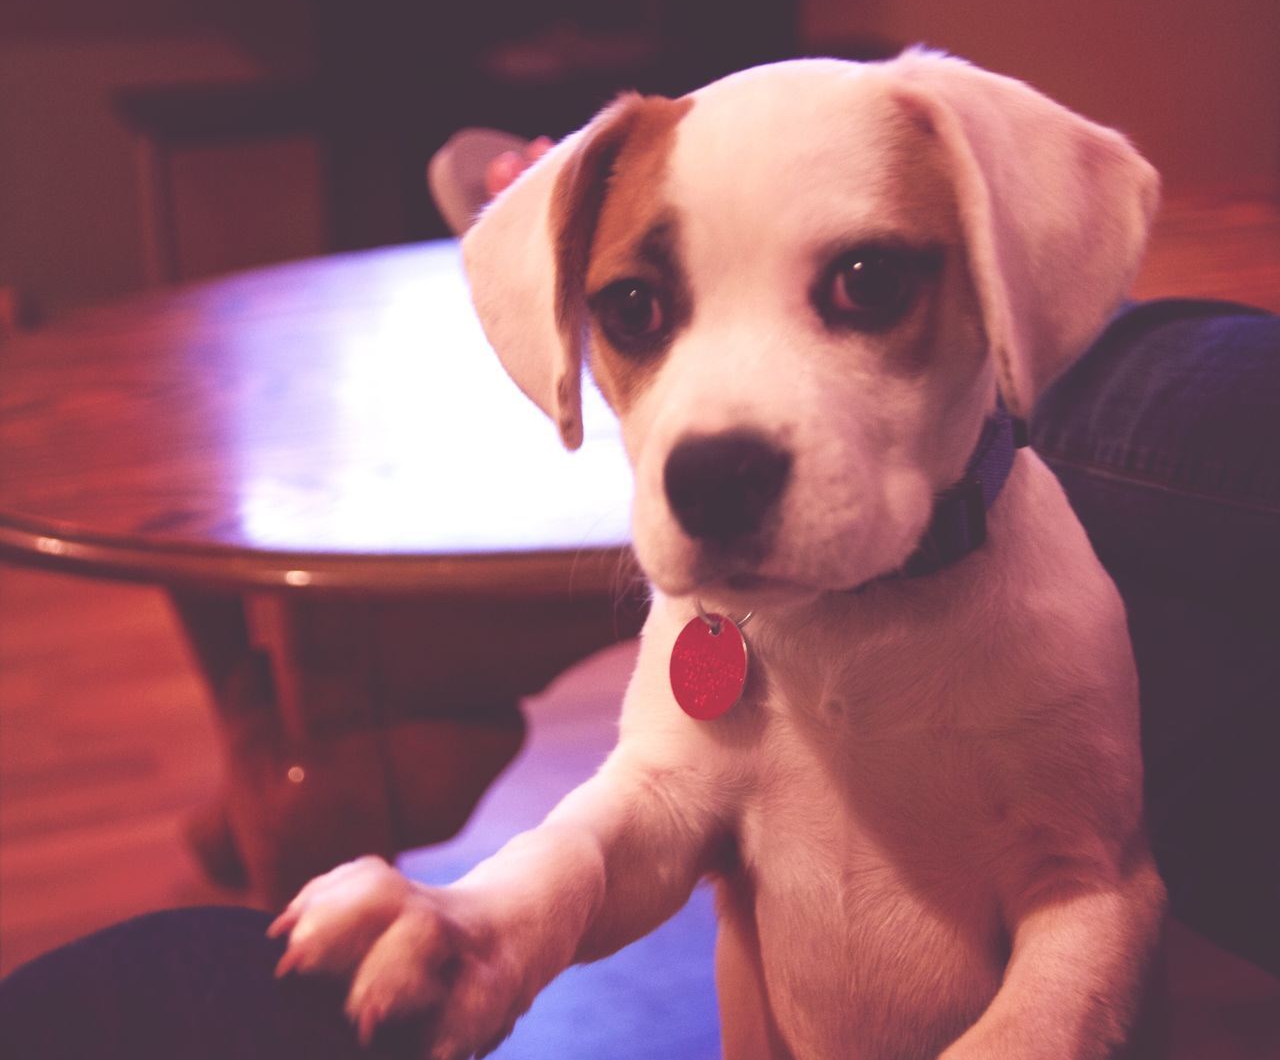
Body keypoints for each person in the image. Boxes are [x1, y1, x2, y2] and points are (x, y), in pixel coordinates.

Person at [2, 149, 1276, 1056]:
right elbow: (655, 808)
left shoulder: (1060, 608)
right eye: (638, 311)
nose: (714, 426)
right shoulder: (706, 625)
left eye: (862, 286)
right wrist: (494, 919)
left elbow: (1091, 888)